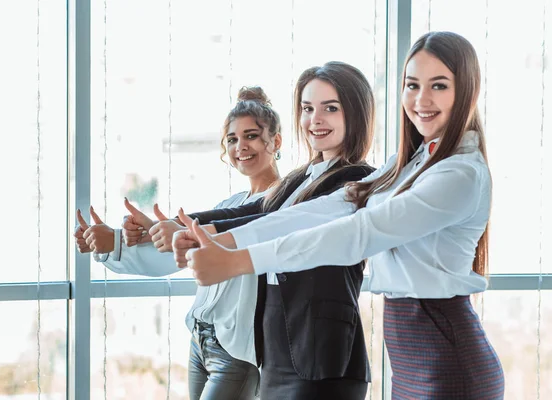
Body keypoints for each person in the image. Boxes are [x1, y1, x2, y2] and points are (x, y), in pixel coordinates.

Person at [177, 32, 505, 399]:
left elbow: (357, 234)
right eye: (412, 85)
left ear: (468, 91)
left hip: (448, 362)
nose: (421, 99)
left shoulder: (459, 174)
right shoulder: (409, 163)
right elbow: (321, 211)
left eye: (439, 85)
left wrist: (239, 261)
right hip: (411, 358)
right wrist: (224, 242)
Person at [153, 61, 376, 399]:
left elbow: (280, 224)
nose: (315, 119)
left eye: (330, 108)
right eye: (307, 108)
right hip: (275, 346)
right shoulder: (301, 177)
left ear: (356, 113)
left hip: (321, 354)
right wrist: (182, 225)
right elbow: (252, 210)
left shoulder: (358, 180)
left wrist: (208, 237)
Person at [74, 86, 282, 400]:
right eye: (232, 139)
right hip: (201, 339)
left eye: (251, 136)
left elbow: (239, 229)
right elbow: (180, 254)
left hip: (237, 351)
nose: (241, 146)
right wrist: (116, 245)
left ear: (276, 141)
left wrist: (130, 237)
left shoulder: (286, 203)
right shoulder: (233, 200)